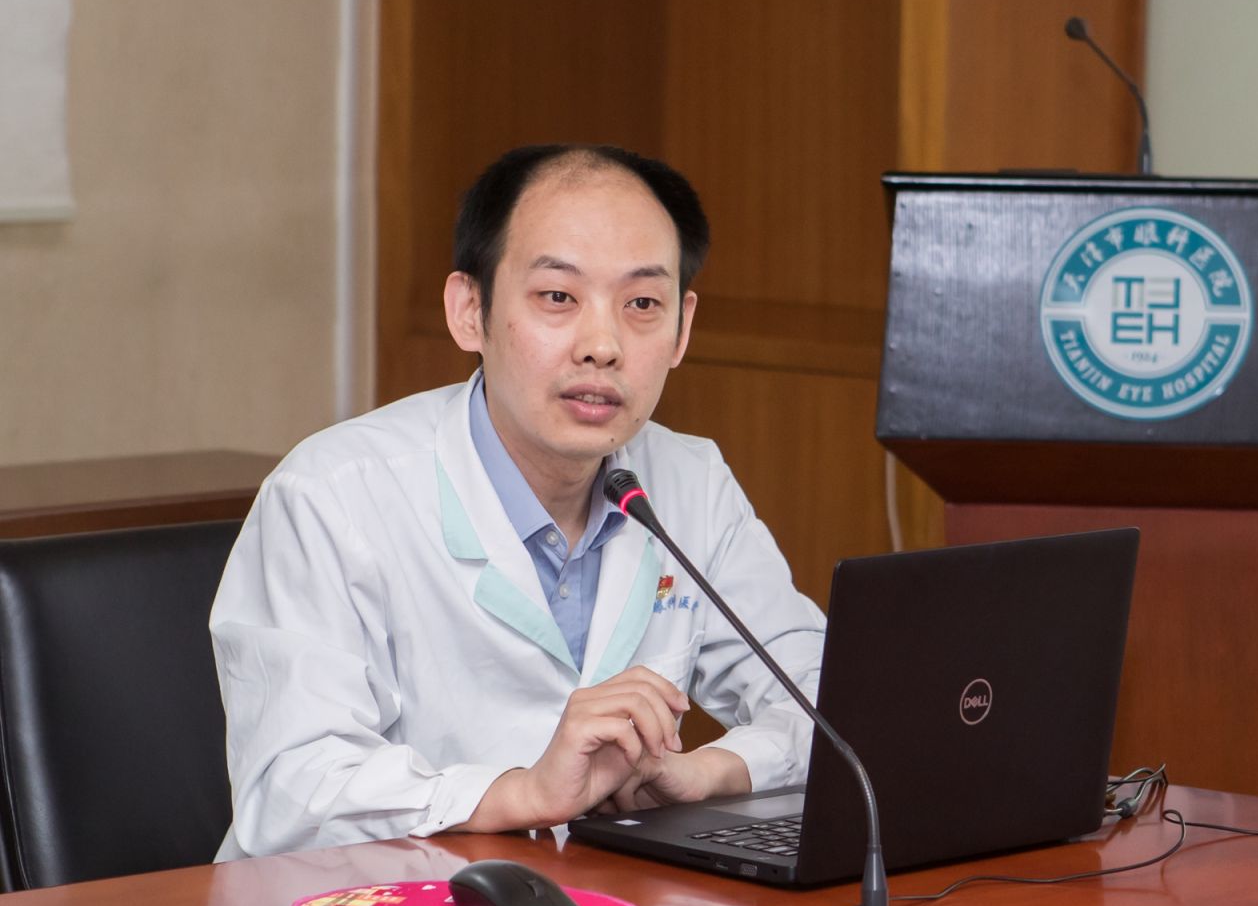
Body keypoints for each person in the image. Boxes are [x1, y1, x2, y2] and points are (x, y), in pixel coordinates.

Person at [211, 144, 824, 860]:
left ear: (682, 329)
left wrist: (710, 772)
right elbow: (292, 788)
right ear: (469, 311)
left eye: (642, 305)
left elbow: (833, 703)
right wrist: (519, 794)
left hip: (605, 903)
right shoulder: (331, 495)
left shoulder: (690, 482)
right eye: (558, 297)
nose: (602, 346)